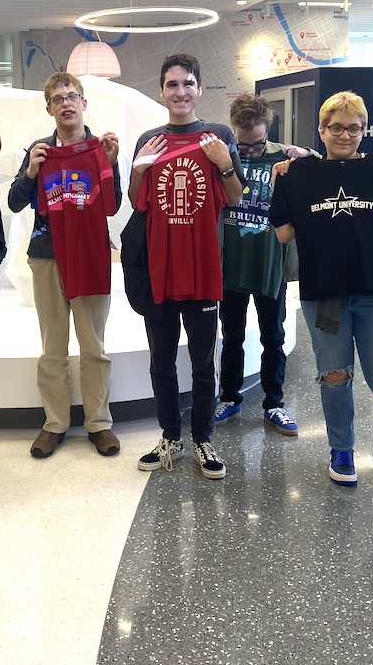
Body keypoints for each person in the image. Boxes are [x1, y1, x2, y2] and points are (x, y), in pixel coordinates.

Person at [270, 91, 373, 487]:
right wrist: (280, 182)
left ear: (364, 131)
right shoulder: (297, 174)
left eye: (354, 128)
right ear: (320, 130)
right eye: (336, 127)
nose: (345, 134)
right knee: (334, 376)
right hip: (326, 297)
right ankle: (341, 450)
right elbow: (284, 233)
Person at [128, 54, 243, 480]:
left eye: (187, 83)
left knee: (201, 362)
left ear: (198, 89)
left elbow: (233, 197)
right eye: (172, 84)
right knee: (161, 360)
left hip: (201, 269)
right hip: (160, 269)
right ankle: (170, 436)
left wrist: (223, 163)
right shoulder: (149, 139)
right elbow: (137, 201)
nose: (180, 92)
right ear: (161, 90)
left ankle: (202, 438)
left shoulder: (218, 136)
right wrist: (139, 168)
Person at [8, 73, 122, 458]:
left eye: (72, 96)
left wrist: (113, 165)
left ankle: (99, 424)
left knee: (94, 345)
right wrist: (30, 173)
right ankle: (54, 424)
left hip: (90, 255)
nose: (66, 103)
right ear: (49, 108)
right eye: (58, 99)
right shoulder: (39, 150)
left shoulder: (98, 148)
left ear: (84, 103)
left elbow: (112, 204)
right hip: (47, 255)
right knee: (52, 346)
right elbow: (13, 202)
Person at [214, 92, 315, 434]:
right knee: (231, 336)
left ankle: (274, 403)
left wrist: (306, 154)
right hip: (231, 264)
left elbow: (326, 166)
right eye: (245, 146)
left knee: (274, 336)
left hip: (271, 264)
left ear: (267, 130)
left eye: (257, 144)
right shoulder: (224, 157)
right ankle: (229, 396)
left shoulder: (284, 158)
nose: (251, 152)